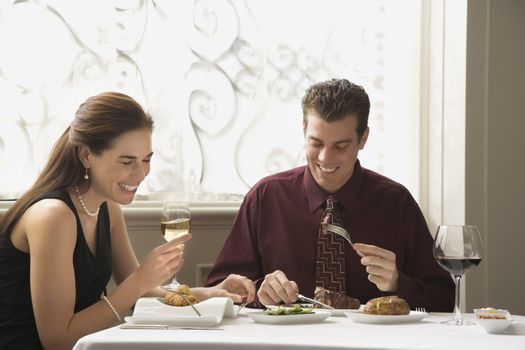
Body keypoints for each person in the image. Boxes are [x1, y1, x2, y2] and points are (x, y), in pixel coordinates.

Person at [0, 92, 255, 350]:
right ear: (86, 156)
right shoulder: (54, 216)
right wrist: (141, 279)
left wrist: (210, 294)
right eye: (127, 161)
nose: (141, 173)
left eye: (147, 160)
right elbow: (58, 341)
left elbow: (141, 293)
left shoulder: (107, 209)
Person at [206, 78, 454, 311]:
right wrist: (260, 292)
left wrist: (397, 283)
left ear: (363, 138)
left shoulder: (396, 203)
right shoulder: (265, 197)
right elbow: (216, 292)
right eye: (316, 143)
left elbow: (444, 298)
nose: (325, 158)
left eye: (341, 146)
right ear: (304, 130)